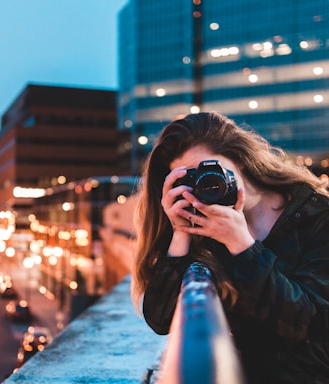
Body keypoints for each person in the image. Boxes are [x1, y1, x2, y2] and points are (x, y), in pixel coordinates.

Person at [131, 112, 329, 384]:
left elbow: (311, 322)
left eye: (211, 171)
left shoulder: (315, 214)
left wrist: (242, 245)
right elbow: (161, 320)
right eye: (191, 179)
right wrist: (179, 233)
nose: (206, 185)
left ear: (242, 161)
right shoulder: (201, 230)